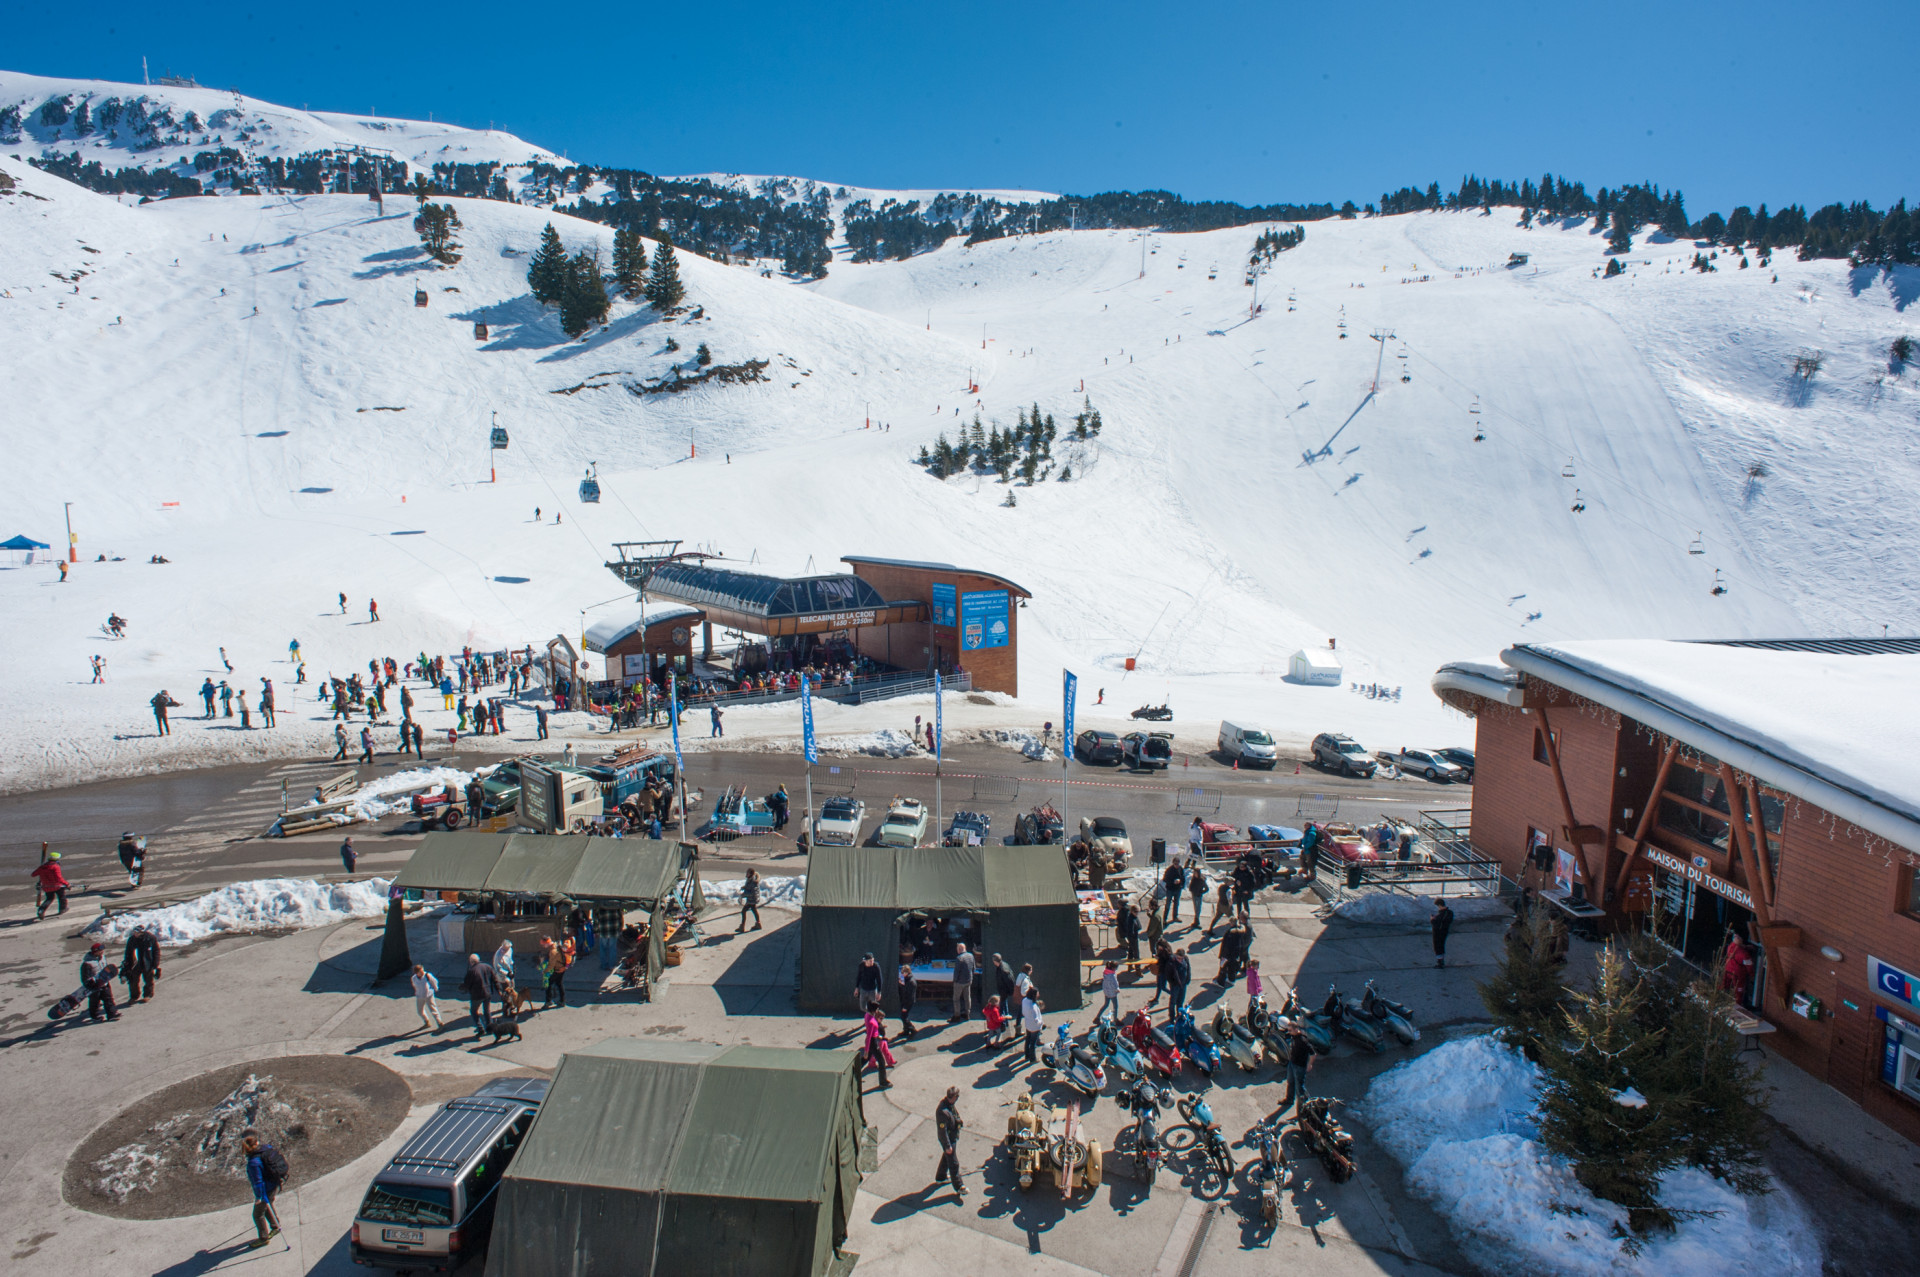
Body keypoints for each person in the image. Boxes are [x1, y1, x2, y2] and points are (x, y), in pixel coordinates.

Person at [241, 1132, 282, 1247]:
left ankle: (264, 1238)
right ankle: (275, 1226)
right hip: (274, 1183)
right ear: (257, 1143)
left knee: (258, 1214)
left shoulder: (253, 1163)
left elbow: (258, 1182)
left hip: (265, 1189)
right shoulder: (266, 1149)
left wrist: (259, 1197)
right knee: (268, 1205)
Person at [1273, 1022, 1313, 1119]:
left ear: (1296, 1029)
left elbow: (1313, 1053)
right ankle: (1289, 1100)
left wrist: (1310, 1064)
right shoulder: (1293, 1036)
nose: (1289, 1032)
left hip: (1300, 1066)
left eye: (1290, 1030)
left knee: (1300, 1088)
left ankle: (1306, 1107)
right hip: (1292, 1063)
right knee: (1290, 1082)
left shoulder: (1303, 1040)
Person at [934, 1087, 965, 1197]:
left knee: (946, 1158)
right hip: (949, 1139)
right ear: (954, 1097)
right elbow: (942, 1131)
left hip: (952, 1137)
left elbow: (954, 1115)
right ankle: (959, 1186)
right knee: (954, 1163)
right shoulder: (942, 1111)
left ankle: (941, 1177)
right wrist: (947, 1146)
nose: (958, 1099)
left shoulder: (949, 1105)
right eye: (957, 1097)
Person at [82, 941, 120, 1022]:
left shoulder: (103, 958)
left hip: (104, 982)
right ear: (95, 951)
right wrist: (91, 984)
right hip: (94, 985)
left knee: (108, 998)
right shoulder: (87, 963)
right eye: (100, 950)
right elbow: (85, 977)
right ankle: (95, 1016)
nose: (102, 952)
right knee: (94, 1001)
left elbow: (106, 968)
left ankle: (112, 1014)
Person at [122, 925, 160, 1003]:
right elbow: (128, 952)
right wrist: (127, 963)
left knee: (148, 980)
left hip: (147, 962)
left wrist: (155, 963)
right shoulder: (132, 940)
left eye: (137, 932)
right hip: (135, 963)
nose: (135, 934)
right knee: (133, 980)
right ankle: (134, 996)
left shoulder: (150, 938)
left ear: (142, 932)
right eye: (134, 932)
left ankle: (147, 995)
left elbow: (156, 951)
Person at [463, 953, 497, 1038]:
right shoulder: (487, 966)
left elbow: (467, 984)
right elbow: (495, 979)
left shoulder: (472, 971)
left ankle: (480, 1028)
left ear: (471, 962)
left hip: (477, 995)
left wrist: (463, 988)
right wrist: (499, 990)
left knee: (473, 1011)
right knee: (487, 1010)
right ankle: (490, 1028)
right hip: (488, 993)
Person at [31, 851, 72, 920]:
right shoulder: (55, 866)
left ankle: (41, 910)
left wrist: (41, 871)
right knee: (62, 897)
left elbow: (33, 874)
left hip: (46, 887)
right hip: (57, 886)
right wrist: (67, 884)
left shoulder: (42, 867)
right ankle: (63, 909)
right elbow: (59, 878)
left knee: (49, 899)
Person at [862, 1005, 894, 1090]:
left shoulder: (867, 1015)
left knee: (865, 1059)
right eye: (877, 1009)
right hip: (873, 1042)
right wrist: (866, 1050)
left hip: (874, 1040)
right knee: (881, 1061)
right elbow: (869, 1037)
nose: (877, 1010)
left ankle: (853, 1071)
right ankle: (883, 1082)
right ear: (874, 1010)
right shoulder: (872, 1022)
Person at [411, 963, 443, 1031]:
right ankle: (427, 1022)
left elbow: (434, 981)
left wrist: (435, 988)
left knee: (433, 1010)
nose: (422, 972)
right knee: (420, 1011)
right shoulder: (414, 978)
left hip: (429, 995)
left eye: (422, 970)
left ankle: (440, 1023)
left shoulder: (427, 975)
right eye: (420, 972)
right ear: (416, 973)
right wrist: (417, 992)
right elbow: (414, 985)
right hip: (420, 996)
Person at [540, 935, 570, 1008]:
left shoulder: (553, 951)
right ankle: (562, 1001)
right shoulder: (556, 945)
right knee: (559, 984)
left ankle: (549, 1001)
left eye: (543, 944)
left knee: (548, 984)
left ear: (547, 943)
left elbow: (551, 965)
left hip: (557, 969)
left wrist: (544, 971)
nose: (543, 946)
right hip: (562, 968)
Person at [950, 943, 976, 1022]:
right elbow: (973, 968)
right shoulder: (971, 956)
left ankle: (957, 1016)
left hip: (959, 982)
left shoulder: (959, 958)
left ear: (959, 949)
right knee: (967, 998)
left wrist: (954, 980)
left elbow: (956, 972)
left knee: (956, 999)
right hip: (968, 980)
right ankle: (967, 1014)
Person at [1021, 993, 1045, 1065]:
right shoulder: (1033, 1006)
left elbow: (1023, 1012)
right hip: (1035, 1027)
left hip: (1028, 1024)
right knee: (1033, 1043)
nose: (1038, 995)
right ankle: (1033, 1059)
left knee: (1028, 1040)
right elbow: (1036, 1020)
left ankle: (1027, 1056)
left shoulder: (1025, 1000)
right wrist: (1041, 1023)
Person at [1431, 897, 1455, 969]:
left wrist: (1432, 920)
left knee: (1438, 946)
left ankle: (1440, 962)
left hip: (1438, 932)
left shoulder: (1441, 915)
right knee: (1441, 945)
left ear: (1439, 905)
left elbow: (1437, 925)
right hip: (1445, 931)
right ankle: (1441, 961)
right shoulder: (1450, 913)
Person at [897, 959, 919, 1037]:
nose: (902, 974)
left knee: (904, 1017)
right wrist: (901, 984)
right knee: (903, 1016)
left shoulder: (911, 982)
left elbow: (910, 995)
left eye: (903, 973)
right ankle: (906, 1030)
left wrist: (905, 1006)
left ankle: (912, 1029)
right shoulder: (905, 978)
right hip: (904, 999)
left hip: (908, 1002)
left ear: (908, 972)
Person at [1117, 895, 1142, 962]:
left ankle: (1130, 964)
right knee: (1135, 951)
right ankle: (1136, 966)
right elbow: (1138, 927)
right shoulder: (1131, 917)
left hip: (1130, 935)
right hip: (1133, 936)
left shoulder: (1125, 913)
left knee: (1131, 950)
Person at [1168, 947, 1192, 1016]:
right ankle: (1172, 1017)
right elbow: (1168, 974)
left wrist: (1188, 979)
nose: (1180, 960)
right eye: (1178, 958)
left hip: (1183, 984)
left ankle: (1179, 1016)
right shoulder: (1172, 962)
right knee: (1173, 1002)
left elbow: (1188, 969)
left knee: (1180, 1002)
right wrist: (1173, 983)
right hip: (1175, 985)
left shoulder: (1186, 959)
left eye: (1181, 958)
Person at [737, 867, 762, 932]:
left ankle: (742, 927)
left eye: (747, 873)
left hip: (752, 900)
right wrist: (744, 887)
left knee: (743, 911)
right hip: (751, 900)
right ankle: (758, 924)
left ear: (751, 874)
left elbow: (752, 893)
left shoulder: (753, 882)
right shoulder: (749, 880)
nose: (746, 874)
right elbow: (749, 887)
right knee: (754, 910)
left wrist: (744, 895)